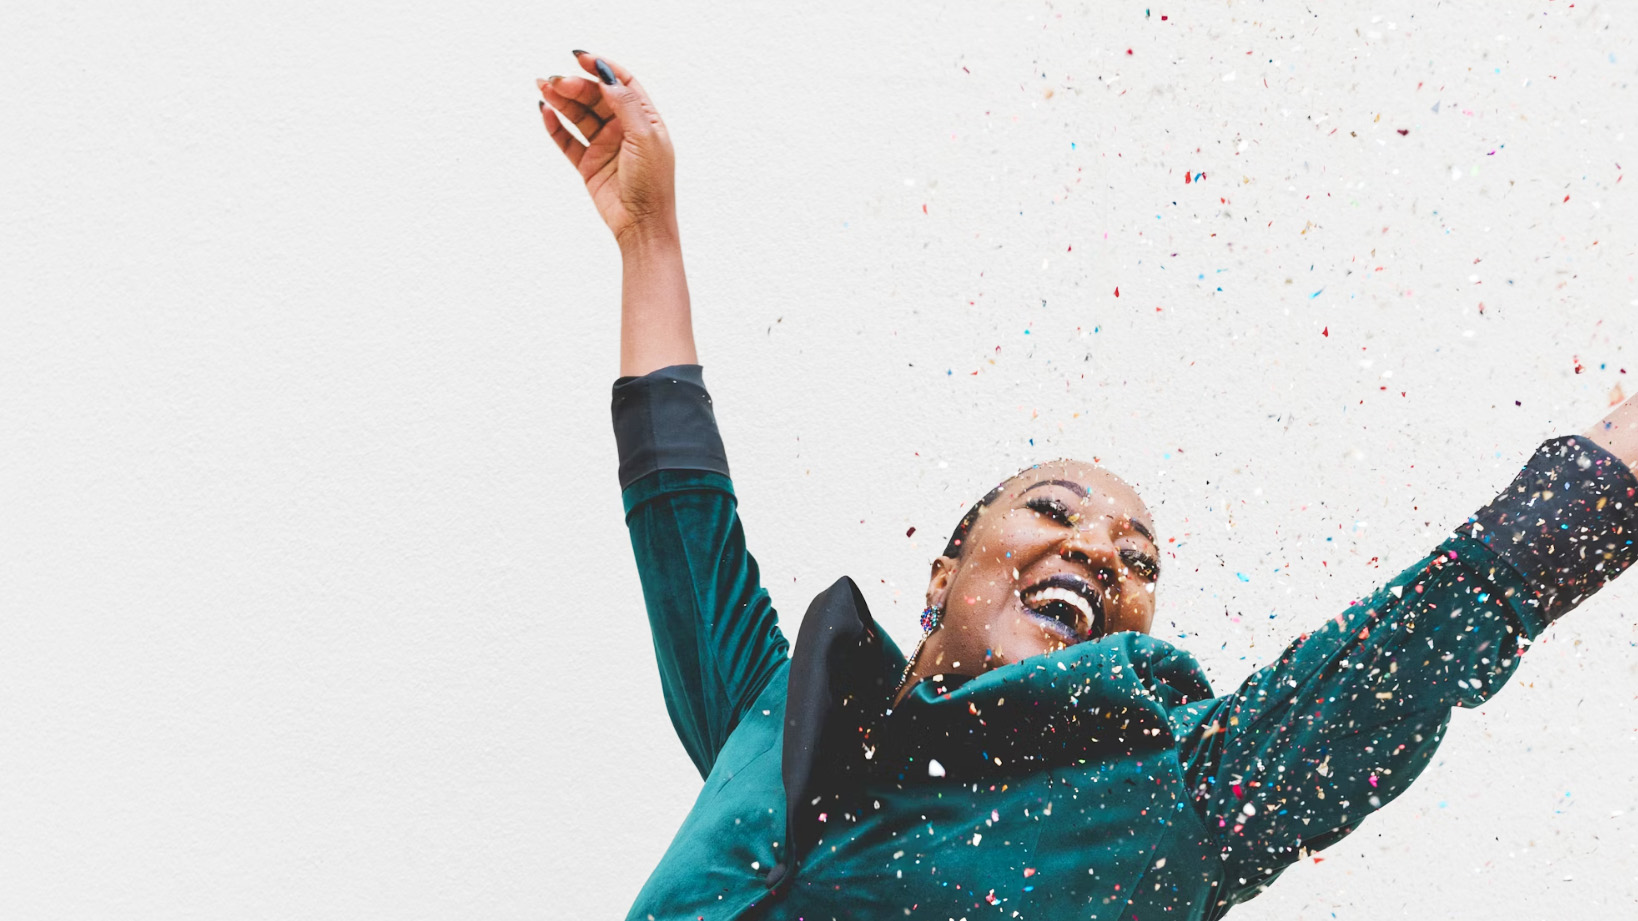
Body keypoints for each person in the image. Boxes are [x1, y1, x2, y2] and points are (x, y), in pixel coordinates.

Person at [536, 52, 1638, 920]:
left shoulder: (1169, 801)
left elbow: (1413, 650)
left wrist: (1616, 461)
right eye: (1053, 510)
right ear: (944, 572)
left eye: (1138, 558)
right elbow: (682, 506)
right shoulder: (773, 716)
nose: (1101, 549)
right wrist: (648, 235)